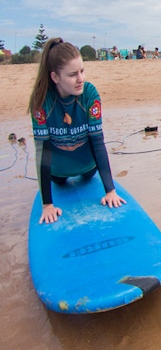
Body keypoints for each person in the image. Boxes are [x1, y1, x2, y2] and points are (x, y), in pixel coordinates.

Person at [28, 38, 126, 224]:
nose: (81, 79)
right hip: (57, 174)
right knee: (59, 181)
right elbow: (43, 152)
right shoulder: (41, 101)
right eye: (72, 74)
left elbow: (97, 142)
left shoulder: (89, 94)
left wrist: (110, 191)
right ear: (55, 77)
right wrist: (47, 204)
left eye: (82, 71)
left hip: (88, 168)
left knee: (88, 174)